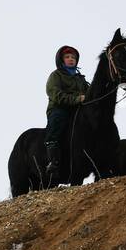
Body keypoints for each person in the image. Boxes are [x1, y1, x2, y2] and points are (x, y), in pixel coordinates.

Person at [45, 45, 89, 180]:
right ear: (61, 60)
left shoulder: (81, 79)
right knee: (57, 123)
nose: (71, 59)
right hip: (60, 109)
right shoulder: (55, 75)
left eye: (73, 57)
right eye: (67, 57)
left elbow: (90, 93)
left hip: (78, 110)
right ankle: (53, 161)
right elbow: (55, 94)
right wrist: (77, 99)